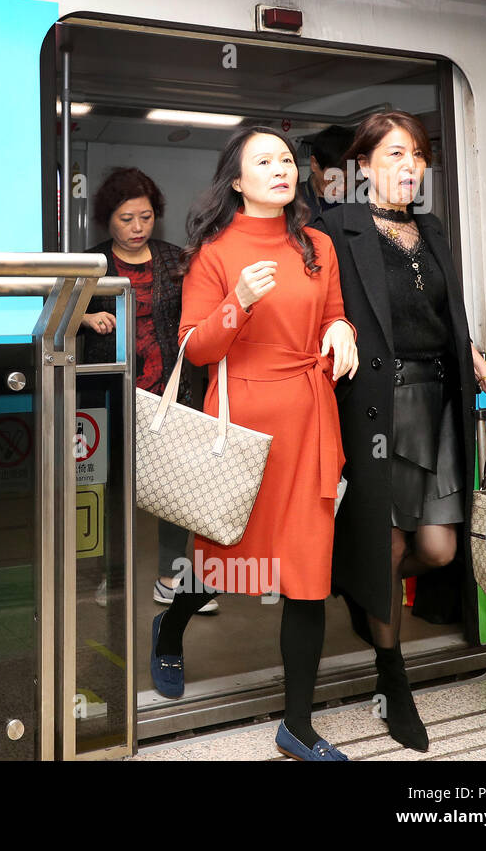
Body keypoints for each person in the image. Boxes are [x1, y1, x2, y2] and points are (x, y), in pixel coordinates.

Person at [312, 110, 486, 752]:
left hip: (438, 401)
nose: (411, 166)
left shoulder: (430, 229)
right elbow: (322, 306)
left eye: (419, 156)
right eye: (397, 153)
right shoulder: (335, 227)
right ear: (365, 162)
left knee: (438, 549)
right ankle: (391, 677)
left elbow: (450, 319)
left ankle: (363, 591)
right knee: (389, 544)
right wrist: (338, 326)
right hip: (378, 402)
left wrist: (484, 375)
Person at [149, 126, 359, 761]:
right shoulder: (213, 252)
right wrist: (236, 302)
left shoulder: (317, 244)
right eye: (264, 161)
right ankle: (170, 626)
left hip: (310, 420)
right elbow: (195, 347)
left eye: (288, 159)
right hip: (240, 424)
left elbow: (331, 313)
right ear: (236, 181)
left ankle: (297, 726)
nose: (281, 168)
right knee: (221, 561)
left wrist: (343, 329)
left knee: (305, 575)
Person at [79, 167, 215, 614]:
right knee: (112, 489)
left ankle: (170, 578)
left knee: (175, 491)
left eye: (145, 217)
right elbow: (51, 308)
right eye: (126, 219)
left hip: (169, 391)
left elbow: (204, 309)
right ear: (108, 220)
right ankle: (108, 578)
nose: (137, 229)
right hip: (111, 397)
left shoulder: (176, 260)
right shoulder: (91, 262)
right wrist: (84, 318)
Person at [301, 125, 354, 217]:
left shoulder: (363, 203)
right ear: (314, 164)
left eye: (348, 179)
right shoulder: (291, 203)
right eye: (334, 180)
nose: (343, 188)